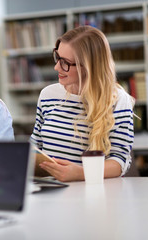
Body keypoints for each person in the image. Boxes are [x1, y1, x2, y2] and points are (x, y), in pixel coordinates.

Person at [30, 26, 134, 182]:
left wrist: (81, 173)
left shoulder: (119, 100)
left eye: (65, 62)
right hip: (48, 191)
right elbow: (35, 145)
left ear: (89, 66)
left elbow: (120, 161)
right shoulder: (47, 95)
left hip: (91, 192)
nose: (56, 67)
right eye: (57, 57)